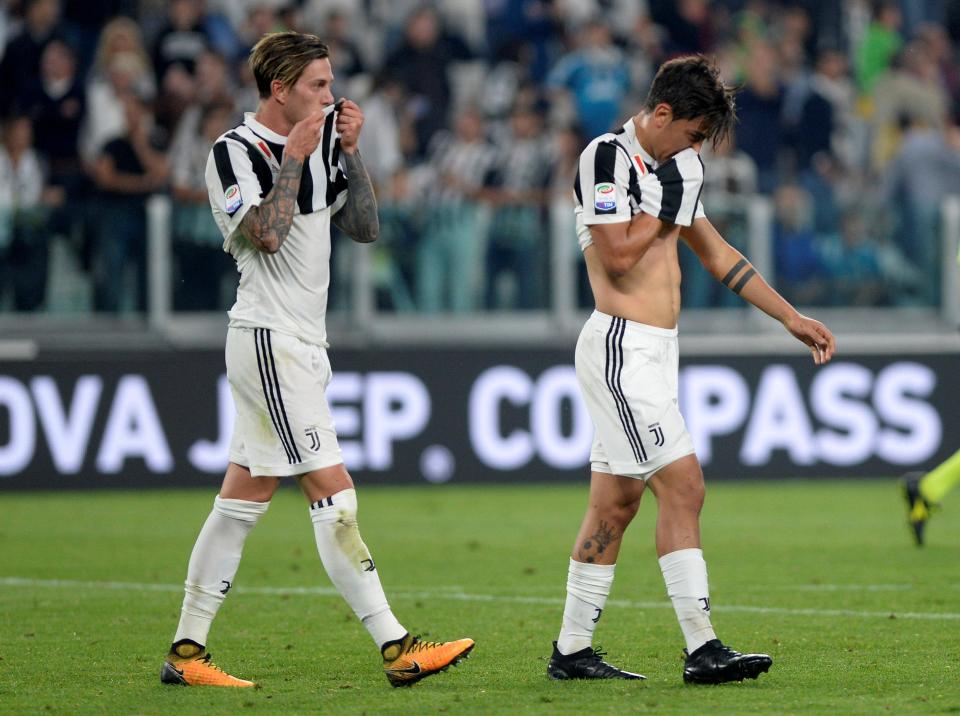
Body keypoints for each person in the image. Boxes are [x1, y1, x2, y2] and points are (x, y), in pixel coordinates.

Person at [160, 31, 473, 689]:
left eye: (332, 84)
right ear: (281, 90)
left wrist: (350, 154)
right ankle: (397, 647)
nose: (333, 96)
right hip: (269, 340)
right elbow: (268, 236)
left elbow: (363, 227)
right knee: (335, 496)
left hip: (302, 343)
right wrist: (296, 155)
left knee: (240, 500)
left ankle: (186, 654)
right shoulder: (234, 153)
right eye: (319, 86)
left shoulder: (327, 142)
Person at [547, 55, 837, 685]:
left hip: (656, 351)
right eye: (693, 134)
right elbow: (619, 256)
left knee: (614, 507)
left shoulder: (676, 169)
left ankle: (571, 651)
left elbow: (714, 252)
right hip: (620, 347)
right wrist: (668, 200)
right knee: (684, 487)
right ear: (661, 114)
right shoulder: (607, 157)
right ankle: (702, 647)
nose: (696, 147)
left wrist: (789, 317)